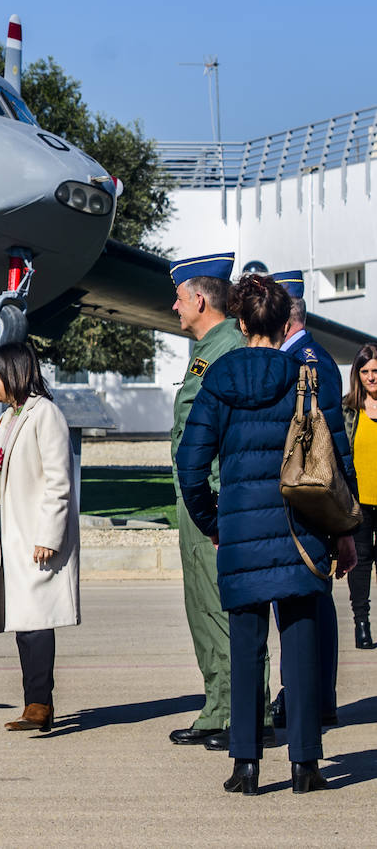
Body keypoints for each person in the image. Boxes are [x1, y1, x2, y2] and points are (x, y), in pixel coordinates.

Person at [178, 273, 358, 795]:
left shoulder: (217, 378)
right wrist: (345, 532)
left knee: (246, 645)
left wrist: (215, 522)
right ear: (286, 324)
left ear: (239, 322)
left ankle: (246, 766)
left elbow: (191, 467)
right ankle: (305, 766)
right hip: (302, 531)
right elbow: (337, 463)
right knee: (301, 644)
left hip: (239, 532)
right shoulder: (310, 377)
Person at [166, 252, 273, 749]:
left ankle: (243, 714)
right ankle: (219, 706)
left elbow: (226, 433)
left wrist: (213, 508)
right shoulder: (209, 349)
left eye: (180, 297)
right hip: (199, 502)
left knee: (226, 609)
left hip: (217, 501)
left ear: (200, 298)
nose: (174, 306)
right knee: (204, 605)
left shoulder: (227, 348)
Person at [0, 342, 80, 733]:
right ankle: (34, 702)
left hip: (35, 538)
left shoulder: (45, 415)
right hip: (12, 537)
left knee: (37, 622)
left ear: (14, 372)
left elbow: (59, 481)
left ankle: (40, 704)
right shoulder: (9, 417)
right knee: (23, 624)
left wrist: (49, 536)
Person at [269, 271, 341, 729]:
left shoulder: (305, 362)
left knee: (305, 600)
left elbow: (326, 444)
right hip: (311, 498)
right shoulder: (312, 357)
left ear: (284, 318)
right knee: (313, 599)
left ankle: (309, 697)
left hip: (305, 499)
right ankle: (314, 694)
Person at [343, 343, 377, 650]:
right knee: (362, 563)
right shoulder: (348, 409)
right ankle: (361, 624)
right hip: (360, 502)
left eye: (375, 371)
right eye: (365, 371)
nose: (371, 377)